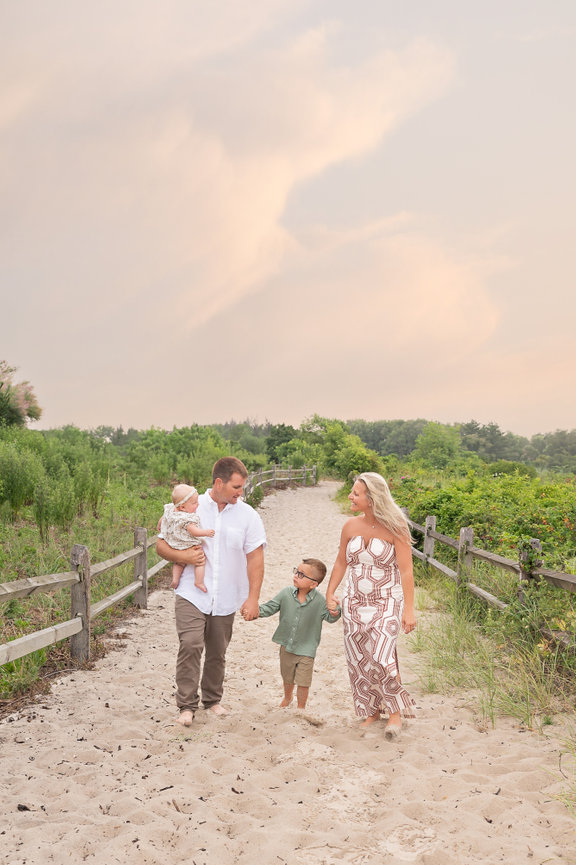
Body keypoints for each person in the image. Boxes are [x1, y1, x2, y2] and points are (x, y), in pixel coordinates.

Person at [156, 457, 266, 727]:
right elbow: (160, 546)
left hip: (227, 595)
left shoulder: (248, 515)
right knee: (191, 644)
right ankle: (186, 704)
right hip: (191, 592)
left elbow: (255, 558)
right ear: (219, 483)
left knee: (217, 651)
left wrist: (253, 598)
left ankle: (212, 699)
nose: (241, 493)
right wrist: (185, 556)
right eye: (237, 487)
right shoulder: (190, 507)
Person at [325, 472, 416, 738]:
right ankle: (372, 710)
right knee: (359, 658)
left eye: (355, 493)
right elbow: (341, 562)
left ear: (372, 497)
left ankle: (395, 713)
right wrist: (330, 592)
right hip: (354, 600)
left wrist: (409, 609)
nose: (350, 496)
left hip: (387, 600)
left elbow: (407, 571)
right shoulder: (349, 526)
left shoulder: (397, 526)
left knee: (382, 655)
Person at [246, 558, 341, 710]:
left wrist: (335, 610)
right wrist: (255, 612)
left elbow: (331, 618)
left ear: (313, 584)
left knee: (304, 681)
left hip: (307, 648)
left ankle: (301, 707)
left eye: (301, 574)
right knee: (287, 677)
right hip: (286, 644)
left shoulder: (320, 601)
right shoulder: (286, 593)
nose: (296, 575)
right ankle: (288, 696)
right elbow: (270, 607)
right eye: (296, 571)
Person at [159, 483, 215, 592]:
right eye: (194, 503)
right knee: (200, 561)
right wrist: (205, 532)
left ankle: (175, 579)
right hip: (188, 544)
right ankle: (199, 581)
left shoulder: (171, 510)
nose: (198, 505)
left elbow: (163, 520)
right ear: (182, 507)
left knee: (179, 562)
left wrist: (160, 526)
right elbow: (193, 531)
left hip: (175, 543)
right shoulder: (187, 518)